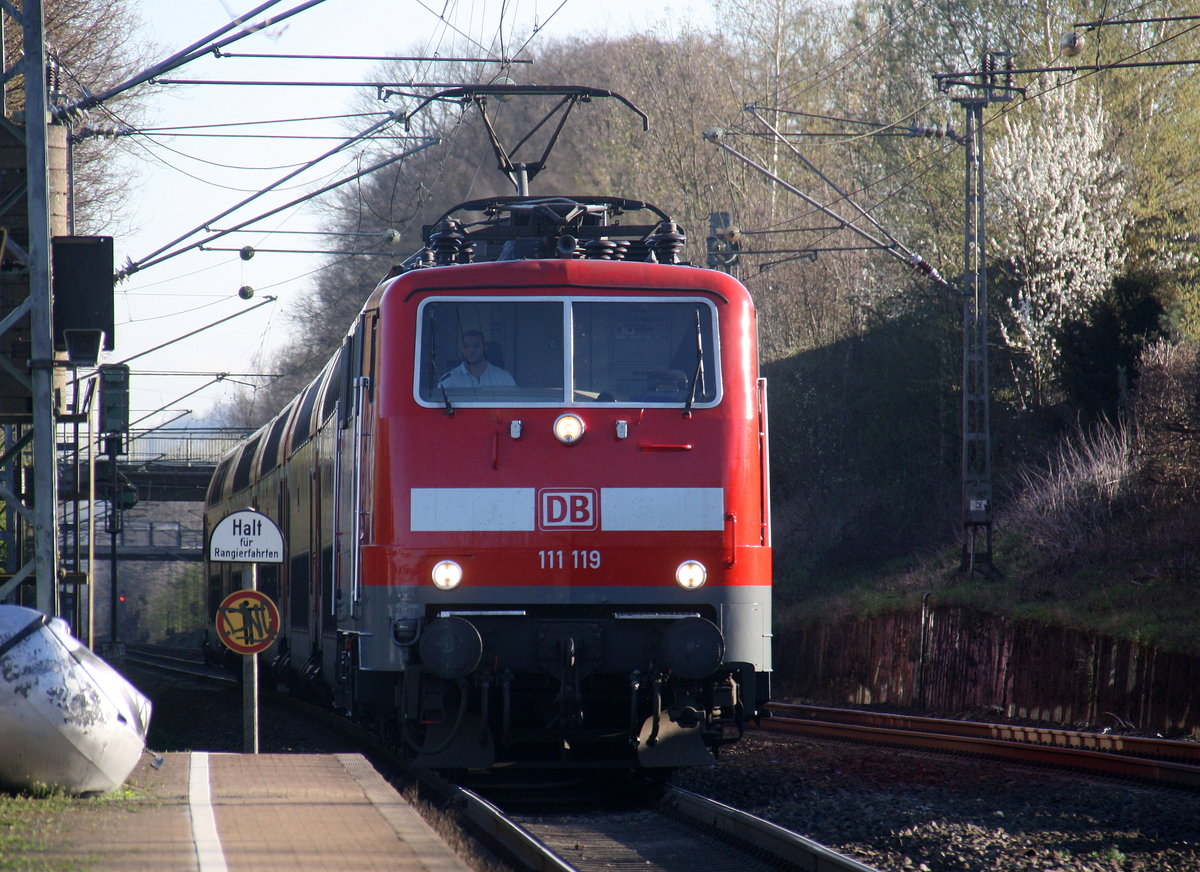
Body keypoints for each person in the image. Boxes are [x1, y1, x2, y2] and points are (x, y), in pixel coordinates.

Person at [438, 330, 516, 388]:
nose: (471, 350)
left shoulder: (504, 378)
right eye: (466, 346)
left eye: (476, 346)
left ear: (485, 348)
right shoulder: (448, 380)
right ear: (461, 349)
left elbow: (514, 406)